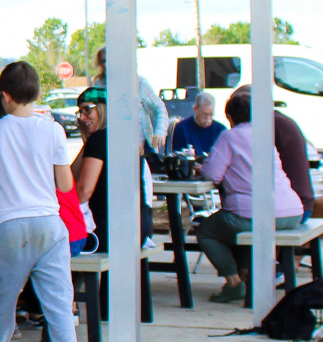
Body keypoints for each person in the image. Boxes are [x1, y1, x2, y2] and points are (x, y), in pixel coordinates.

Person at [0, 62, 84, 342]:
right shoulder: (53, 130)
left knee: (2, 301)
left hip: (9, 224)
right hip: (50, 224)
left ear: (5, 96)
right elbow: (65, 183)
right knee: (59, 302)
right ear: (36, 93)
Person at [195, 88, 308, 303]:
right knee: (240, 226)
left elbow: (212, 174)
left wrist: (199, 167)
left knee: (207, 230)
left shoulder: (229, 136)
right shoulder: (264, 135)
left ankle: (233, 281)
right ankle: (246, 275)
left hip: (258, 213)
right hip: (292, 211)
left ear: (229, 117)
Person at [71, 87, 152, 255]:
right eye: (80, 112)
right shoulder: (124, 137)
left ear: (104, 109)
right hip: (139, 228)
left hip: (107, 231)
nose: (83, 117)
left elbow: (83, 190)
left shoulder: (100, 139)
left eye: (88, 110)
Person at [225, 85, 315, 214]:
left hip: (286, 208)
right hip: (300, 204)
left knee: (215, 226)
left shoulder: (266, 125)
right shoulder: (279, 120)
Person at [94, 47, 167, 154]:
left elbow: (160, 108)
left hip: (140, 147)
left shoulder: (139, 82)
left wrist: (160, 132)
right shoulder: (99, 85)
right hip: (112, 146)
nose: (106, 64)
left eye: (110, 60)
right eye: (103, 61)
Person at [166, 91, 225, 159]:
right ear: (195, 109)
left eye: (211, 114)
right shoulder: (181, 128)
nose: (208, 118)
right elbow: (178, 157)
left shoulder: (221, 130)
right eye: (205, 114)